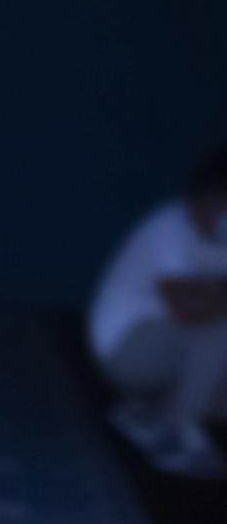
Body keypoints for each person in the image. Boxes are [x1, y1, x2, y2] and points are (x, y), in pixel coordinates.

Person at [87, 141, 227, 478]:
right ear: (209, 196)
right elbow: (187, 310)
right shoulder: (169, 227)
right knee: (218, 327)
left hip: (168, 347)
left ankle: (147, 413)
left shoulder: (220, 237)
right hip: (124, 346)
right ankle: (174, 437)